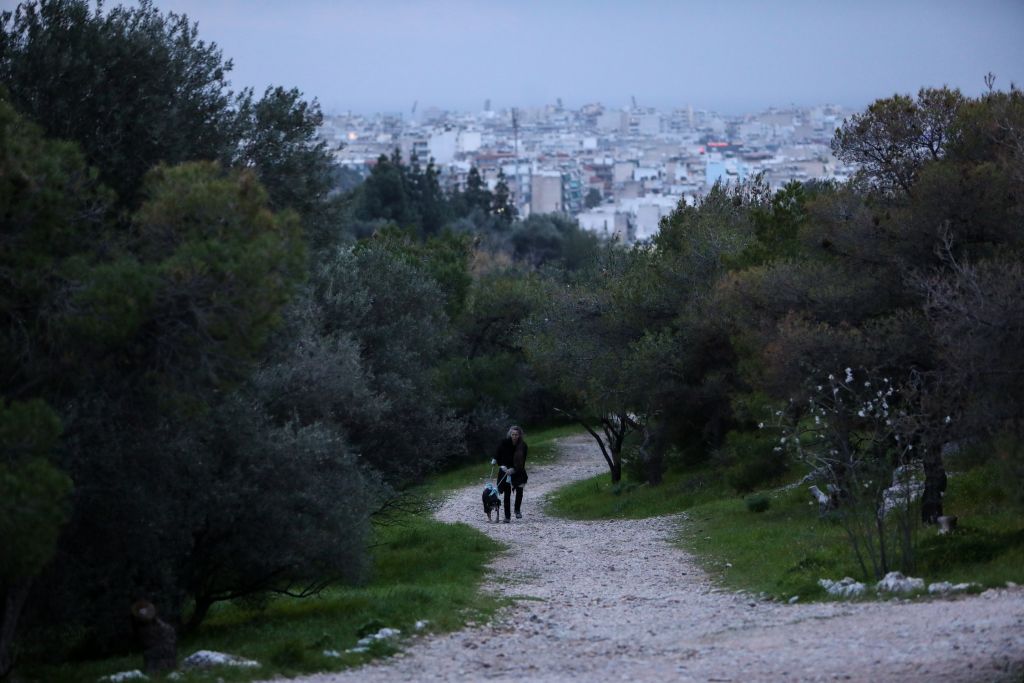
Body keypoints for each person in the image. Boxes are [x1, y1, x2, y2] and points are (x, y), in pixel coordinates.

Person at [494, 425, 528, 522]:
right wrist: (496, 460)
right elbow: (498, 453)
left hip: (518, 470)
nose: (514, 436)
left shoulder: (523, 446)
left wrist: (514, 469)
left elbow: (522, 461)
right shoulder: (504, 443)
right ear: (510, 434)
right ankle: (507, 517)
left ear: (519, 435)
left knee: (520, 489)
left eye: (516, 434)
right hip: (505, 470)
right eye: (513, 434)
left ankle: (517, 510)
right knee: (507, 493)